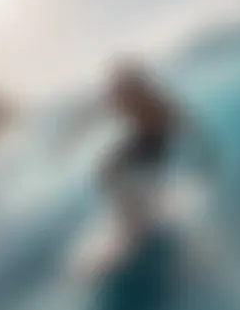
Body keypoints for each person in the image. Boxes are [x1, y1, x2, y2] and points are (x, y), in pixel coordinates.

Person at [65, 56, 218, 242]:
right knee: (106, 172)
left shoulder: (154, 100)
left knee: (138, 177)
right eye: (120, 88)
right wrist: (71, 137)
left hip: (157, 142)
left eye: (126, 87)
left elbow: (185, 121)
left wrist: (206, 154)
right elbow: (91, 115)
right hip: (139, 139)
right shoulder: (118, 98)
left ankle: (150, 210)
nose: (121, 94)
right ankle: (127, 218)